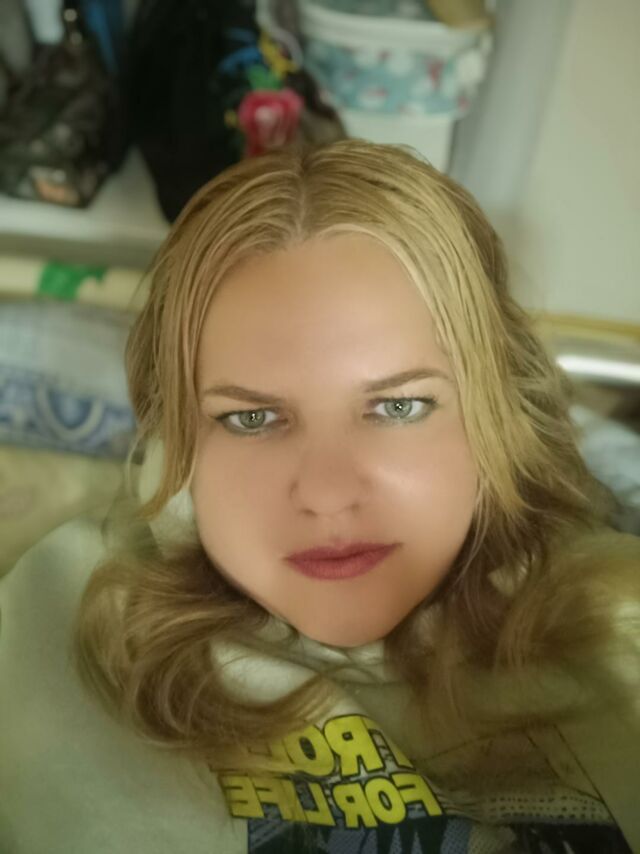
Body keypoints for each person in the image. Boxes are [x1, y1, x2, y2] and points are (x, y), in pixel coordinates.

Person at [1, 139, 638, 854]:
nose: (329, 496)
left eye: (398, 406)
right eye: (251, 418)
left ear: (497, 406)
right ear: (176, 434)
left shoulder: (618, 628)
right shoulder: (46, 628)